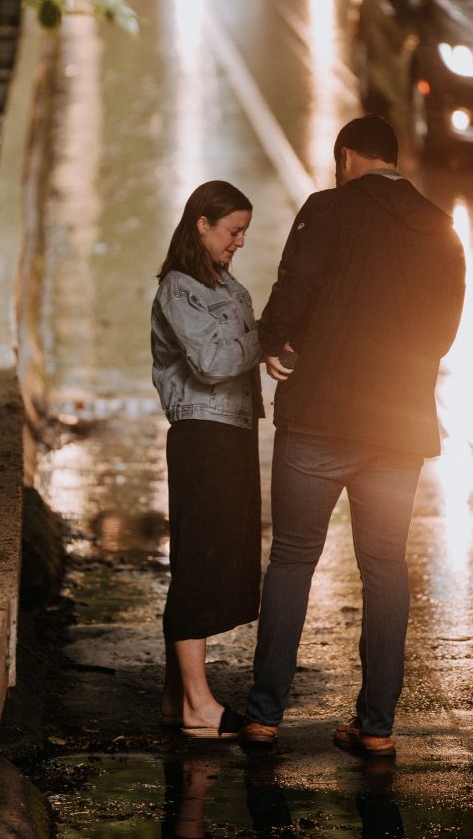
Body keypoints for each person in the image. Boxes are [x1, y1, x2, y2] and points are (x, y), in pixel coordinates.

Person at [240, 114, 465, 754]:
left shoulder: (327, 209)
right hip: (398, 424)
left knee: (292, 558)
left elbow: (297, 289)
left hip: (319, 416)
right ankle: (377, 729)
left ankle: (263, 716)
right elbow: (444, 333)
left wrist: (272, 343)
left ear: (346, 158)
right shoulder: (440, 226)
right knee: (385, 567)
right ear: (396, 161)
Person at [151, 180, 264, 740]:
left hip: (231, 433)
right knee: (199, 563)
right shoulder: (180, 288)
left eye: (244, 231)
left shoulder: (224, 283)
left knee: (215, 558)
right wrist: (265, 339)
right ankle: (199, 704)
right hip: (203, 436)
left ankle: (177, 697)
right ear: (202, 223)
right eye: (232, 230)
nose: (239, 241)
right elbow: (215, 360)